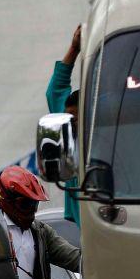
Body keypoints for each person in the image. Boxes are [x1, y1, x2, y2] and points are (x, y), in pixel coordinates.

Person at [45, 25, 82, 226]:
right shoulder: (68, 136)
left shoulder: (106, 136)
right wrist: (74, 49)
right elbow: (55, 91)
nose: (72, 125)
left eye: (77, 120)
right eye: (69, 120)